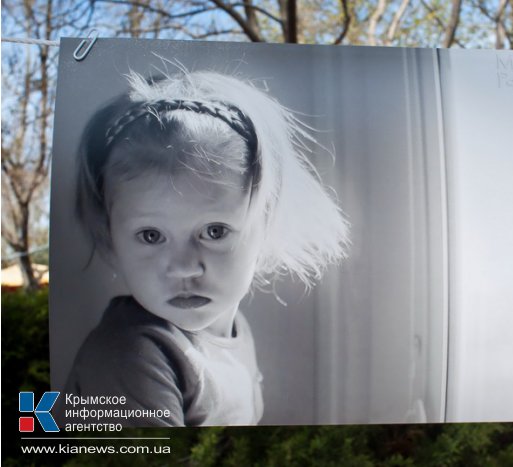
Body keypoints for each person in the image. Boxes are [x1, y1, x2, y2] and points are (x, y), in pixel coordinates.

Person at [58, 69, 349, 427]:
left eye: (214, 231)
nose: (183, 267)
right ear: (111, 235)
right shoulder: (130, 355)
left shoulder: (231, 327)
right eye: (151, 235)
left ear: (267, 223)